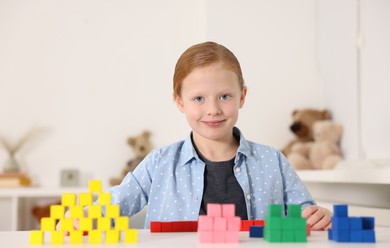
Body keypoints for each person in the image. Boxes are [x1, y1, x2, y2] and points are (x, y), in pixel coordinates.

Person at [57, 41, 332, 232]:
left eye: (224, 96)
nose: (212, 109)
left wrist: (319, 217)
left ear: (242, 96)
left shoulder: (273, 162)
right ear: (179, 101)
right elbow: (118, 201)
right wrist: (84, 213)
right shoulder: (160, 163)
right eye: (198, 98)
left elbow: (307, 216)